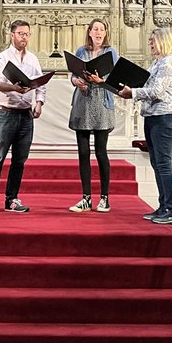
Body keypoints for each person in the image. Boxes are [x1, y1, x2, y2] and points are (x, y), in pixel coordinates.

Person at [0, 19, 46, 214]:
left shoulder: (33, 59)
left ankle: (12, 199)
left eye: (27, 34)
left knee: (19, 160)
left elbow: (40, 85)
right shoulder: (2, 57)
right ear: (12, 35)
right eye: (20, 34)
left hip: (25, 116)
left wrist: (39, 103)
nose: (24, 37)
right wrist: (14, 87)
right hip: (5, 114)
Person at [119, 27, 172, 224]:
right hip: (153, 115)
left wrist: (133, 93)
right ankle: (163, 206)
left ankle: (171, 209)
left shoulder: (168, 63)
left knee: (163, 163)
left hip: (164, 116)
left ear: (163, 41)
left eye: (153, 41)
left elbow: (156, 90)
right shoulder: (158, 63)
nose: (150, 44)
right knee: (157, 163)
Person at [68, 18, 118, 213]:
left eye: (102, 29)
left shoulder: (110, 52)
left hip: (101, 102)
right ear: (89, 32)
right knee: (82, 153)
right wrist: (75, 81)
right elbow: (73, 74)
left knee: (101, 152)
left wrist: (99, 79)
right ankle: (86, 198)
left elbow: (116, 79)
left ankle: (104, 198)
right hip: (83, 101)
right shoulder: (82, 51)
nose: (98, 32)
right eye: (95, 29)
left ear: (105, 33)